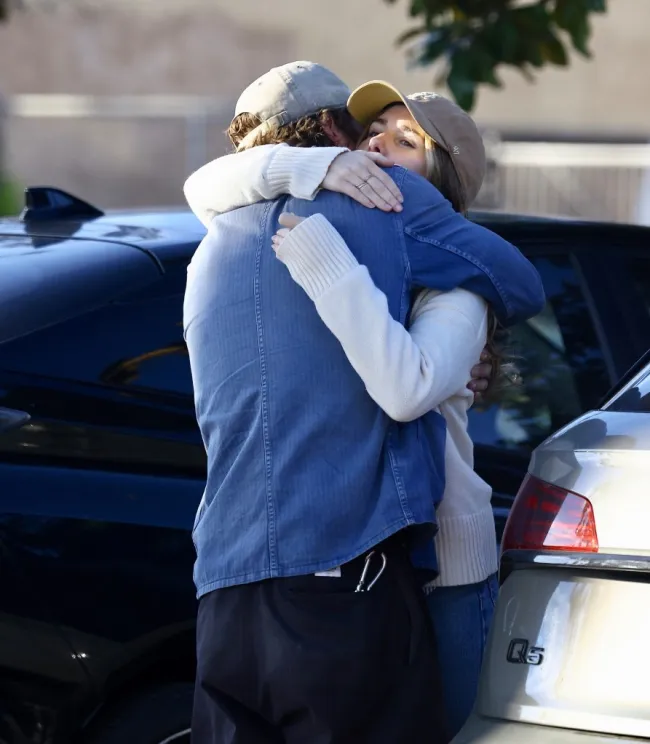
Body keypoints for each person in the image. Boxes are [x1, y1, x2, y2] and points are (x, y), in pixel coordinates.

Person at [183, 61, 545, 744]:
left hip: (446, 566)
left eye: (404, 140)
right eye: (373, 132)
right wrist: (307, 171)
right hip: (367, 559)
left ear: (441, 182)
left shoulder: (447, 280)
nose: (377, 147)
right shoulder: (337, 219)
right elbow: (204, 186)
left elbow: (406, 386)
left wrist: (329, 266)